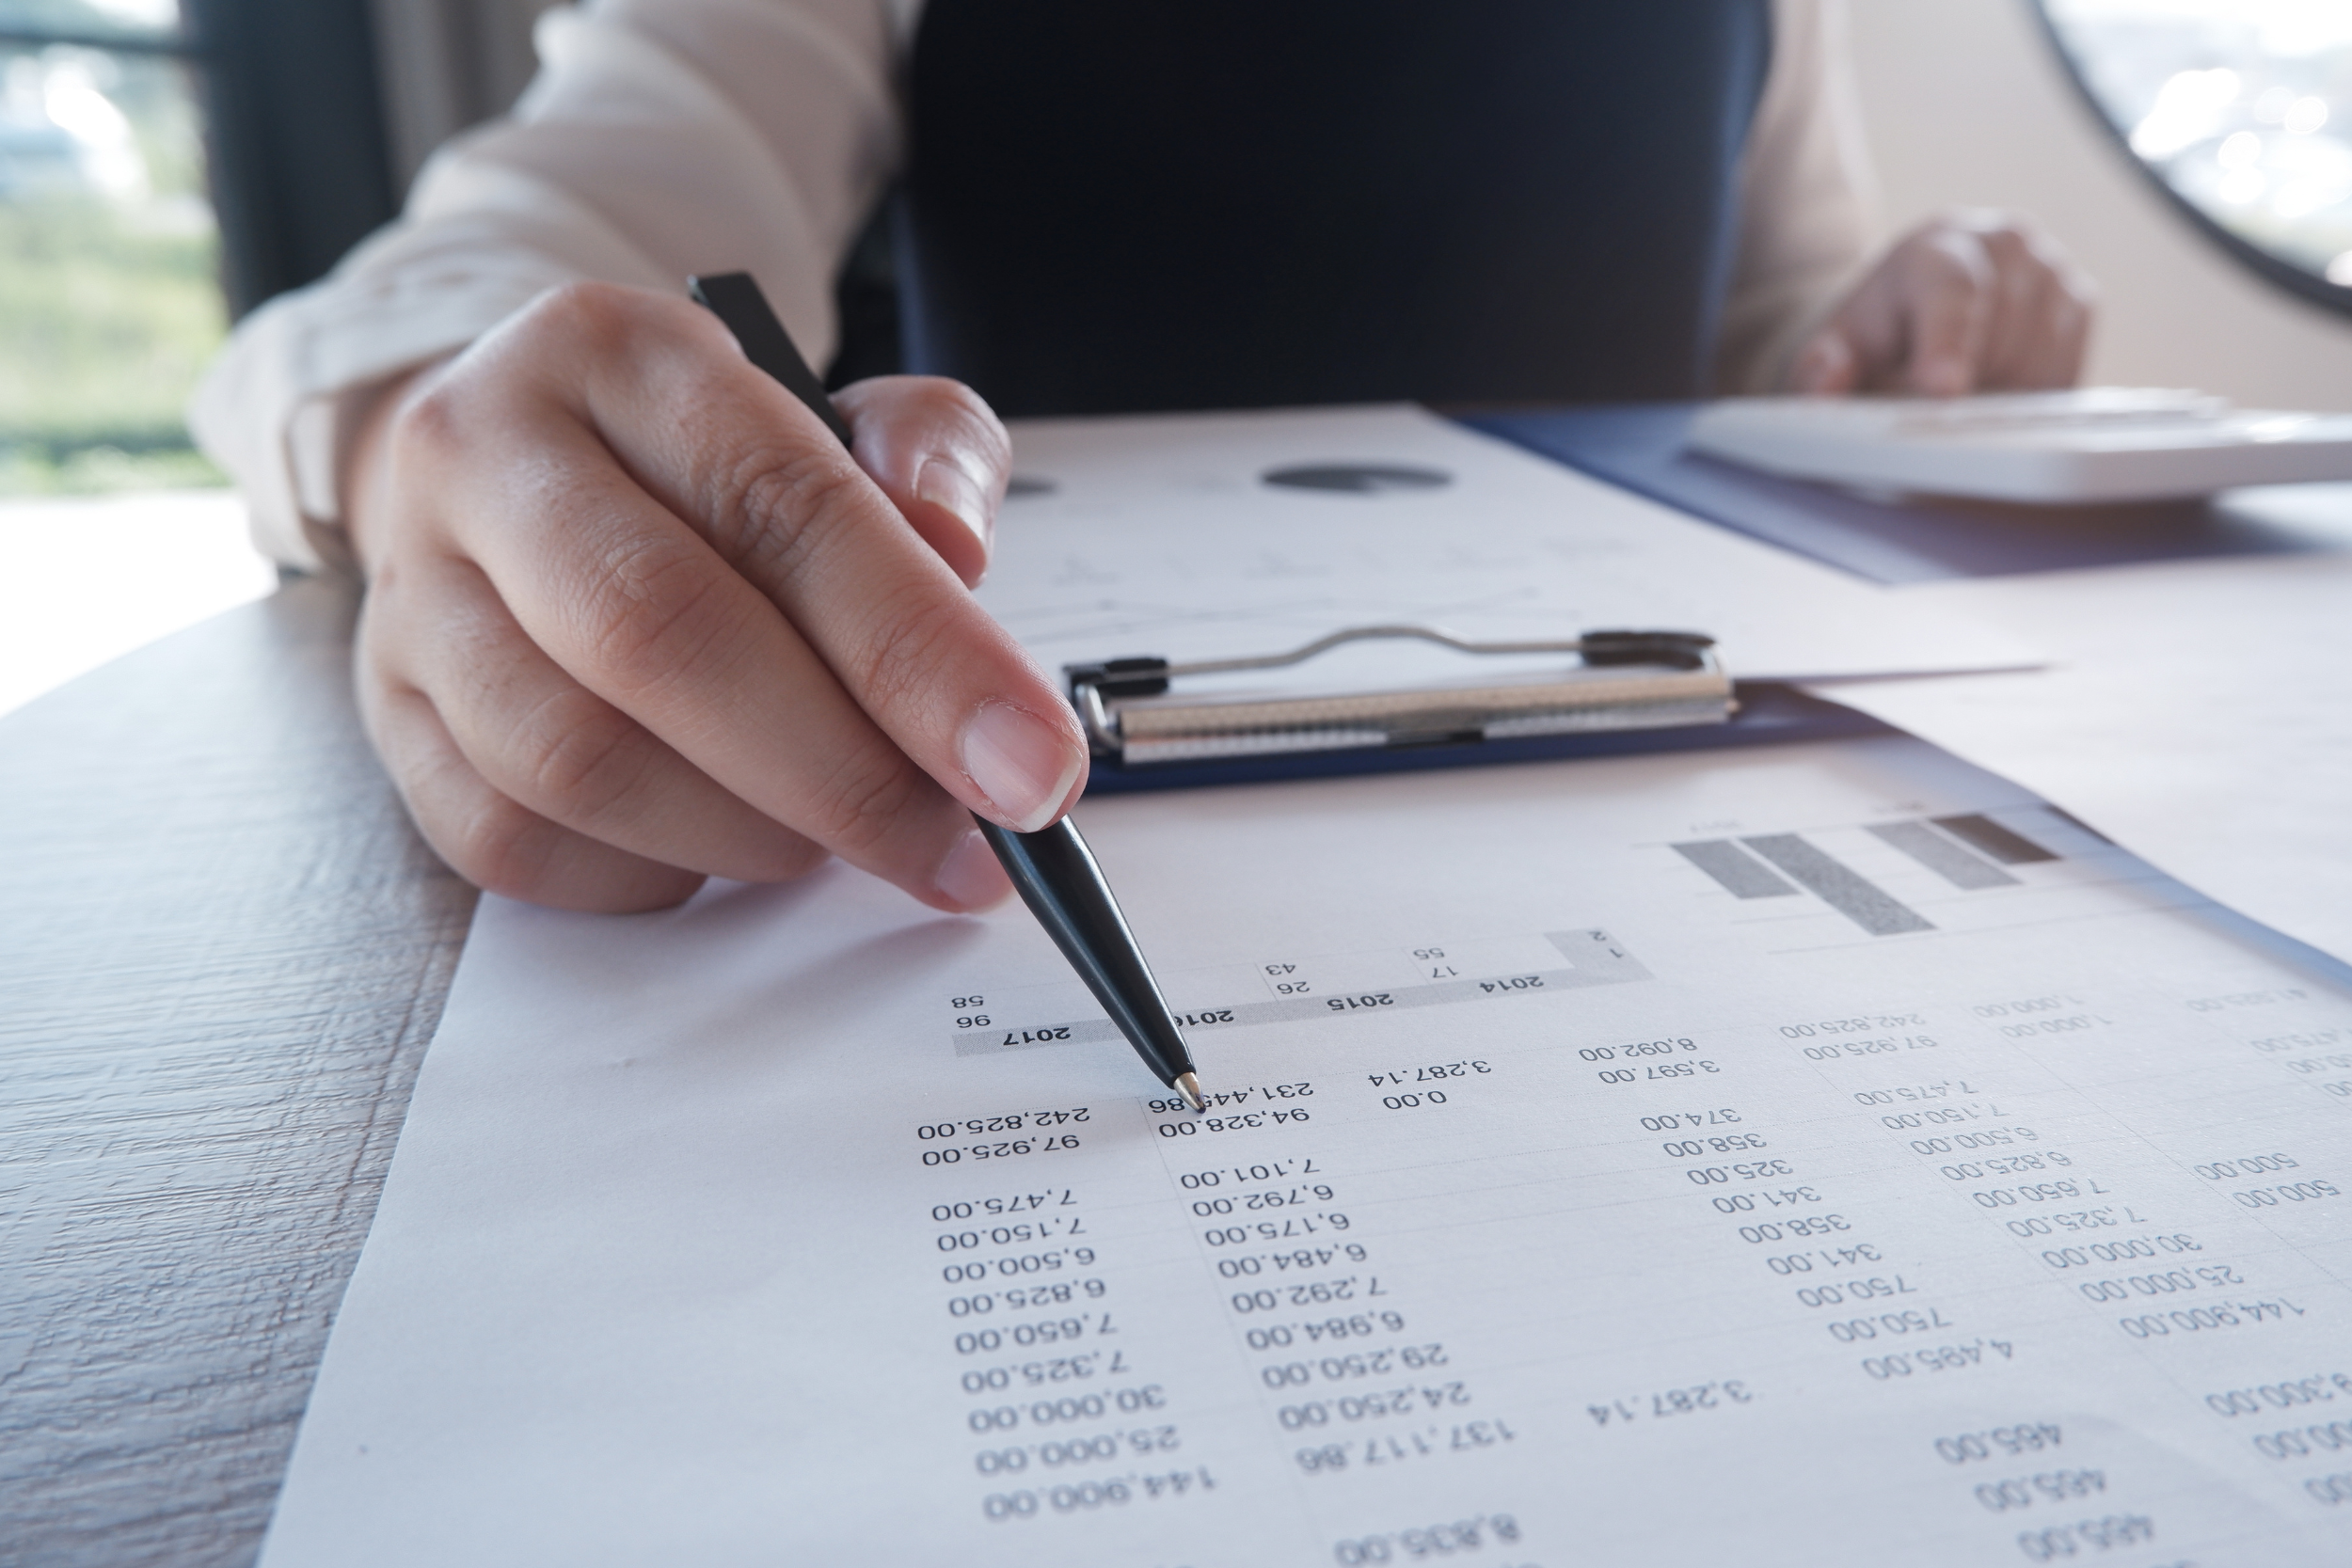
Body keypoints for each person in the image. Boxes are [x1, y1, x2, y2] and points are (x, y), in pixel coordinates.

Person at [189, 0, 2096, 917]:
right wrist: (444, 424)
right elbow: (512, 249)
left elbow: (1764, 337)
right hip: (1084, 738)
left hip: (1652, 743)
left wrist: (1905, 313)